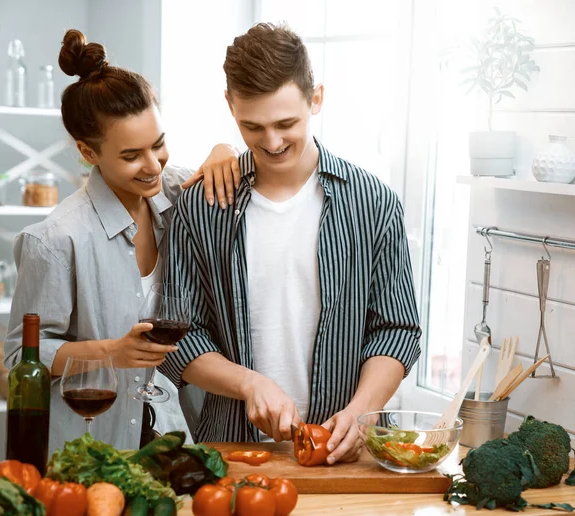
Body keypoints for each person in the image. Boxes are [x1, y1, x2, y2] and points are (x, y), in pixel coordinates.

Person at [159, 23, 422, 464]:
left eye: (286, 123)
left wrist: (360, 413)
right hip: (232, 451)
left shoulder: (373, 202)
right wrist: (249, 384)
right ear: (229, 106)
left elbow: (396, 329)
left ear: (315, 98)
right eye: (252, 127)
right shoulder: (202, 205)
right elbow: (179, 339)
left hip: (348, 452)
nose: (273, 142)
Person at [3, 29, 240, 453]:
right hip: (91, 443)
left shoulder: (177, 194)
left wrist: (226, 147)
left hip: (173, 434)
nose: (152, 165)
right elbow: (22, 358)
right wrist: (112, 351)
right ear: (88, 152)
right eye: (131, 156)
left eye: (160, 144)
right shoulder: (55, 239)